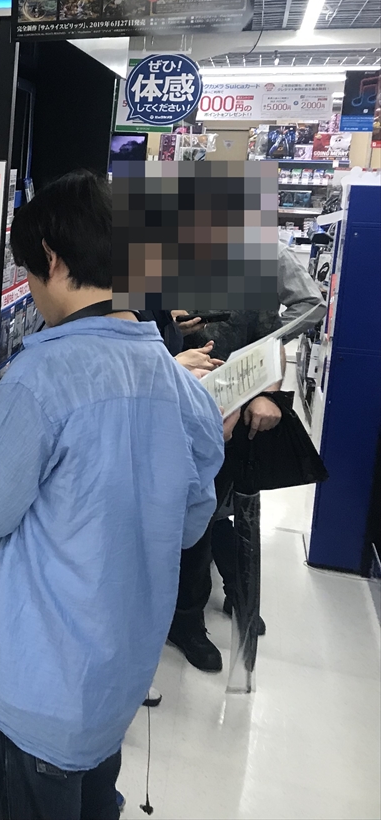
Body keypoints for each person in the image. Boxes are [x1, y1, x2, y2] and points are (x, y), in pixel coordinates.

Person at [0, 170, 227, 820]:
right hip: (117, 673)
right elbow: (191, 520)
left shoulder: (42, 375)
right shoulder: (177, 382)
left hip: (42, 685)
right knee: (92, 797)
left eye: (28, 272)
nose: (29, 288)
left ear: (52, 260)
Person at [167, 241, 328, 671]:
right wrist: (171, 325)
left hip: (238, 398)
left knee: (223, 506)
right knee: (190, 513)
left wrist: (266, 392)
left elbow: (275, 334)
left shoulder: (258, 259)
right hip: (179, 399)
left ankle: (226, 599)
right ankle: (186, 618)